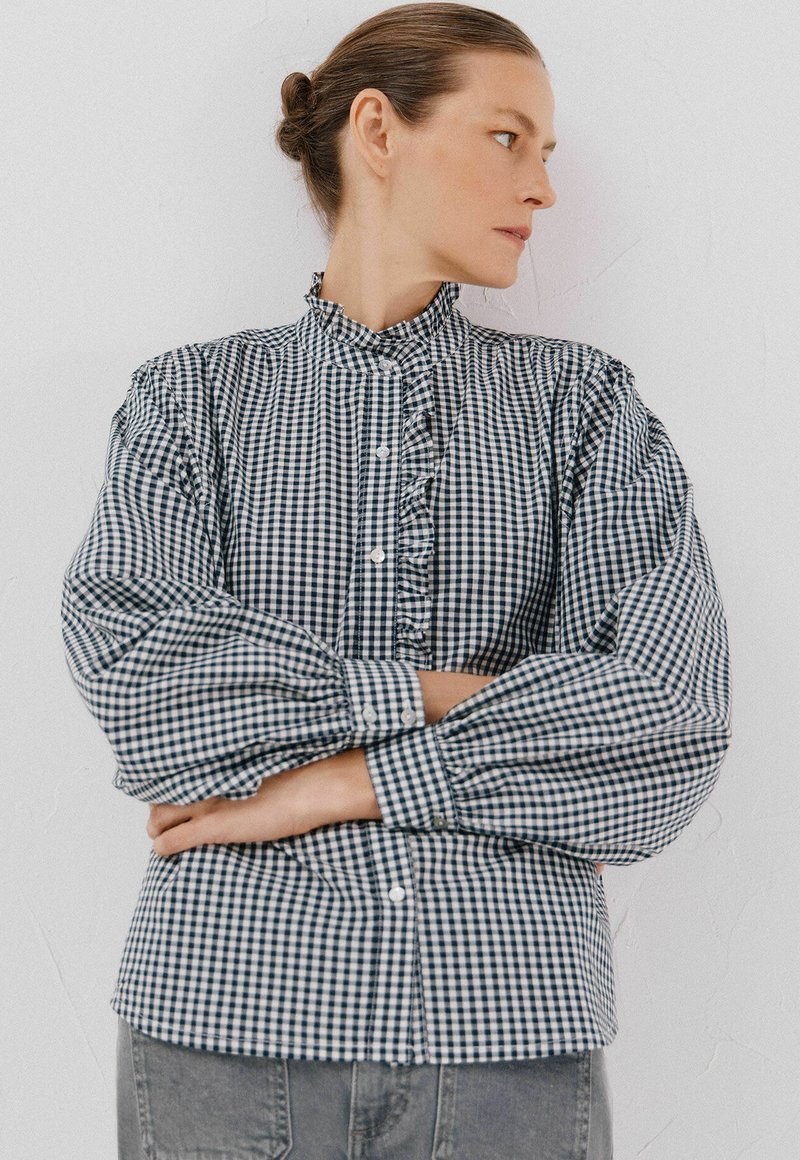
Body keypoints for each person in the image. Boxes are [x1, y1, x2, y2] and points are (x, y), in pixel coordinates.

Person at [60, 3, 732, 1157]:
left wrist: (318, 787)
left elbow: (666, 723)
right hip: (223, 1020)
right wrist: (448, 692)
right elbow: (147, 685)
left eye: (546, 153)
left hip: (509, 1028)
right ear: (379, 129)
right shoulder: (190, 402)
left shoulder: (583, 408)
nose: (543, 190)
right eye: (506, 138)